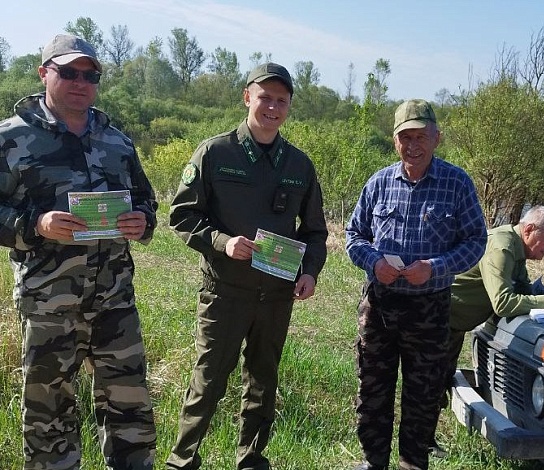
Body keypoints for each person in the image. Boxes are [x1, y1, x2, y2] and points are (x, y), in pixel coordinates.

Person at [0, 34, 158, 469]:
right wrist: (36, 224)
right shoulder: (11, 139)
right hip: (50, 303)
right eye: (69, 72)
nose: (80, 82)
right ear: (44, 73)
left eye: (90, 75)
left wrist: (142, 221)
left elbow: (146, 201)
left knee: (131, 410)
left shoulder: (117, 142)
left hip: (114, 301)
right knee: (49, 416)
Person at [165, 62, 328, 470]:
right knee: (208, 381)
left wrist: (309, 271)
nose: (272, 108)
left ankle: (251, 459)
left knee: (263, 382)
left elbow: (314, 232)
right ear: (247, 97)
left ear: (288, 106)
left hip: (275, 296)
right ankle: (182, 460)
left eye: (281, 101)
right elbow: (182, 216)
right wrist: (223, 242)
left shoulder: (298, 165)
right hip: (226, 291)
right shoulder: (215, 153)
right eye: (265, 98)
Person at [345, 99, 487, 470]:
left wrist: (437, 267)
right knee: (372, 389)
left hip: (429, 307)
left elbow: (476, 241)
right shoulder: (378, 183)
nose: (413, 145)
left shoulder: (457, 184)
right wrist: (374, 262)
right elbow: (354, 235)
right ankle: (372, 461)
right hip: (379, 306)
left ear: (436, 138)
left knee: (422, 394)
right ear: (395, 141)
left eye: (421, 136)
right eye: (405, 137)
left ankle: (413, 463)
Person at [429, 205, 544, 454]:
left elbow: (520, 288)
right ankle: (418, 449)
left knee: (437, 384)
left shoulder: (518, 248)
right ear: (530, 230)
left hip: (452, 326)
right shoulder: (502, 247)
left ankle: (424, 443)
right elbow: (503, 303)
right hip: (435, 323)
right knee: (427, 388)